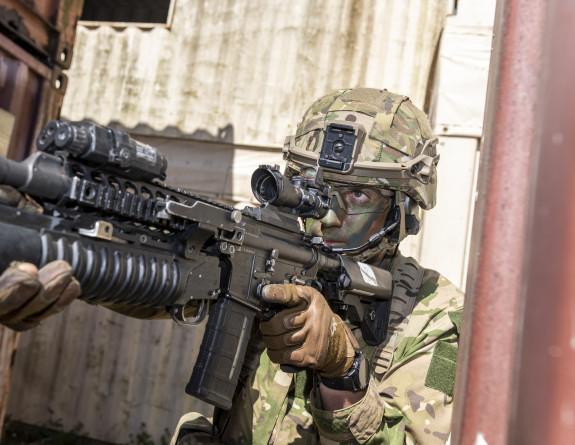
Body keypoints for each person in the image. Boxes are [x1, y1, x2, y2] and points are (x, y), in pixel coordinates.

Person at [0, 88, 464, 444]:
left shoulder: (439, 316)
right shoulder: (272, 248)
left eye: (357, 194)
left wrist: (341, 371)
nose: (327, 214)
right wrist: (60, 251)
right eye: (310, 186)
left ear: (403, 209)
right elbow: (166, 272)